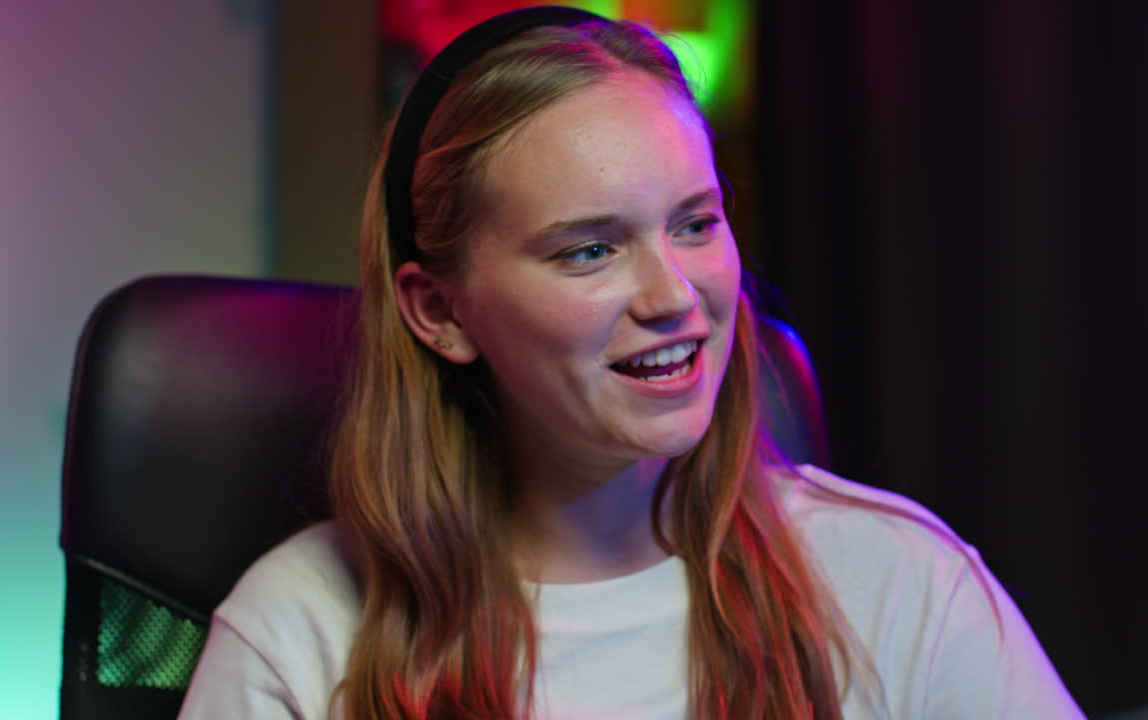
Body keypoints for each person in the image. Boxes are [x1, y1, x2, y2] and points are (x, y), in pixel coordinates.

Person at [178, 6, 1084, 719]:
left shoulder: (897, 582)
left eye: (695, 223)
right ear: (440, 312)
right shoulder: (300, 635)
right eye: (590, 250)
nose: (675, 296)